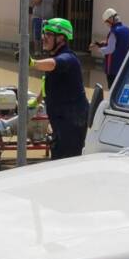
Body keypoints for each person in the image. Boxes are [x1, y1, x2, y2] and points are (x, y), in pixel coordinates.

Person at [31, 17, 89, 159]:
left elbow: (54, 64)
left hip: (72, 123)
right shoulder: (55, 56)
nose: (44, 37)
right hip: (62, 121)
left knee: (66, 165)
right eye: (44, 33)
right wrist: (37, 101)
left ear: (61, 38)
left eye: (49, 34)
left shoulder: (68, 58)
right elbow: (47, 83)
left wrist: (32, 63)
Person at [90, 7, 129, 89]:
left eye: (106, 22)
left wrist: (97, 49)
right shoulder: (127, 30)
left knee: (112, 89)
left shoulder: (114, 31)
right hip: (124, 66)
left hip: (113, 68)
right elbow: (119, 45)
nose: (107, 24)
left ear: (110, 19)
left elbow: (110, 49)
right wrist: (101, 44)